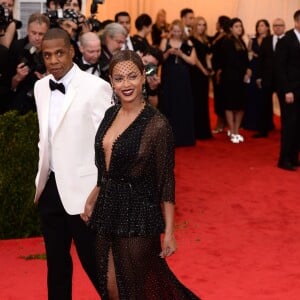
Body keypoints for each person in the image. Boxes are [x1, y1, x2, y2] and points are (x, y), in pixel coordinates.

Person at [82, 49, 201, 300]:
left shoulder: (157, 125)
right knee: (110, 287)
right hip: (107, 212)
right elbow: (107, 167)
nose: (126, 84)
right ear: (111, 82)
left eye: (132, 76)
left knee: (137, 290)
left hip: (138, 215)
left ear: (144, 78)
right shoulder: (109, 114)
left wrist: (169, 232)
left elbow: (166, 181)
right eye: (119, 78)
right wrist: (95, 194)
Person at [33, 28, 112, 299]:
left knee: (96, 265)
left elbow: (107, 143)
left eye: (59, 53)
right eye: (47, 55)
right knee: (56, 265)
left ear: (71, 52)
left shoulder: (96, 87)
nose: (53, 60)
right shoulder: (41, 87)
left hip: (85, 193)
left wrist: (100, 189)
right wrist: (40, 182)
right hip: (51, 189)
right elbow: (46, 137)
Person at [160, 19, 196, 147]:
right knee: (168, 104)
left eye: (178, 31)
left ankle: (183, 137)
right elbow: (160, 59)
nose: (176, 33)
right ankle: (168, 138)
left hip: (182, 77)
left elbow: (193, 61)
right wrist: (168, 52)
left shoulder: (188, 42)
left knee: (182, 104)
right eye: (174, 31)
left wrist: (181, 54)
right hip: (169, 76)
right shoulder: (165, 41)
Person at [7, 12, 49, 114]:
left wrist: (48, 80)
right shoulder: (16, 47)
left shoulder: (52, 50)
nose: (37, 38)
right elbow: (6, 85)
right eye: (33, 33)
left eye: (41, 34)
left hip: (45, 105)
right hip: (19, 105)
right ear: (27, 31)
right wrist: (17, 78)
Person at [219, 18, 251, 143]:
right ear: (231, 28)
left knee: (240, 105)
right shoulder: (227, 41)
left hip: (241, 77)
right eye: (236, 26)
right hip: (230, 77)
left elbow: (245, 58)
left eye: (240, 26)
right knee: (230, 104)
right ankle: (232, 131)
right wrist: (245, 70)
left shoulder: (241, 41)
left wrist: (248, 69)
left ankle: (236, 130)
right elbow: (232, 60)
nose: (239, 28)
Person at [275, 10, 300, 171]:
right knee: (289, 125)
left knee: (298, 126)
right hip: (290, 91)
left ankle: (293, 157)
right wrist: (287, 90)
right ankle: (284, 160)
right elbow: (280, 68)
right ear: (297, 22)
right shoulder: (286, 40)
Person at [254, 18, 285, 138]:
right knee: (264, 105)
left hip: (283, 80)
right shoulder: (267, 40)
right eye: (275, 25)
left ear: (284, 27)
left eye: (280, 25)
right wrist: (259, 76)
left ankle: (285, 131)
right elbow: (261, 59)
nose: (277, 27)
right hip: (267, 78)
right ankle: (263, 130)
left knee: (284, 107)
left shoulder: (288, 40)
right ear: (272, 27)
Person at [243, 19, 271, 132]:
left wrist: (256, 55)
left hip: (265, 69)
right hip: (253, 68)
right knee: (251, 94)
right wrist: (250, 42)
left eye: (262, 25)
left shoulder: (270, 39)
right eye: (258, 26)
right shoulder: (253, 39)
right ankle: (251, 122)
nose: (260, 28)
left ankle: (265, 123)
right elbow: (249, 51)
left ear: (267, 27)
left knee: (263, 96)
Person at [190, 16, 213, 140]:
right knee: (196, 101)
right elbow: (195, 58)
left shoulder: (205, 39)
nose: (202, 27)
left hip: (204, 73)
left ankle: (204, 131)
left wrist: (209, 69)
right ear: (195, 26)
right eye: (199, 24)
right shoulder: (191, 39)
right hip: (195, 73)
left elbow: (208, 56)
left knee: (203, 101)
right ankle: (197, 131)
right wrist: (203, 69)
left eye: (203, 25)